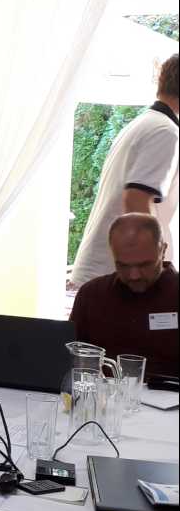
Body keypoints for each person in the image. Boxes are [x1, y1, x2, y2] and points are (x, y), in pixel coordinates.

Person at [71, 53, 179, 287]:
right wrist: (157, 271)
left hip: (112, 273)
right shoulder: (165, 132)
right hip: (125, 277)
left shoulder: (145, 123)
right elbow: (135, 202)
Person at [70, 213, 179, 376]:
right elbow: (71, 359)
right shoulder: (92, 295)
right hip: (105, 391)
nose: (134, 275)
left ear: (163, 250)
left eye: (144, 265)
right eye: (123, 265)